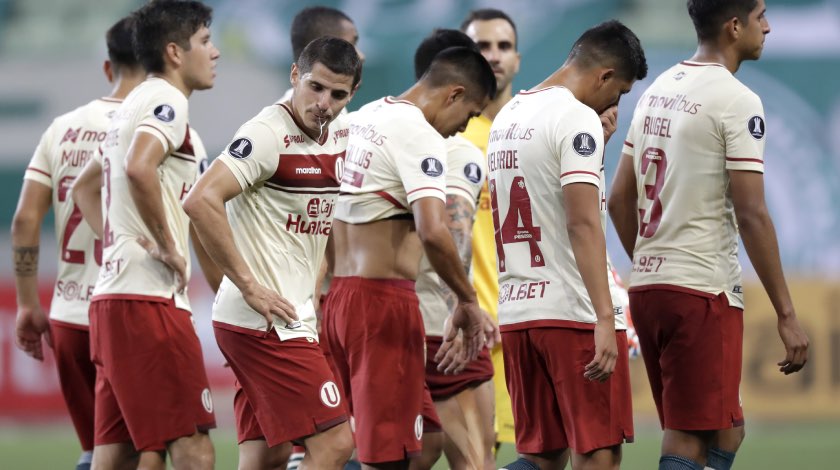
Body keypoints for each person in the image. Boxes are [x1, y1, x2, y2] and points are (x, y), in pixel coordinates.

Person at [607, 1, 809, 469]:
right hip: (700, 292)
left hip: (651, 286)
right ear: (734, 27)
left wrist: (652, 260)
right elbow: (752, 212)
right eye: (760, 15)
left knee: (727, 428)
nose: (768, 25)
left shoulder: (659, 89)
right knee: (687, 439)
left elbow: (619, 199)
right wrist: (786, 312)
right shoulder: (737, 100)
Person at [183, 36, 362, 470]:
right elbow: (199, 201)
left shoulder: (341, 129)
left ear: (351, 94)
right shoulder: (266, 134)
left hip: (286, 315)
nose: (324, 102)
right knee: (336, 443)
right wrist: (246, 285)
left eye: (338, 94)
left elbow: (312, 219)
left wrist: (320, 267)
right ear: (295, 75)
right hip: (266, 324)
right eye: (315, 87)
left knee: (267, 455)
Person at [321, 46, 498, 469]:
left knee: (423, 442)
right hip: (382, 304)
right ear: (454, 94)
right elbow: (435, 229)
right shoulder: (421, 135)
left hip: (340, 298)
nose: (462, 129)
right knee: (386, 460)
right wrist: (468, 301)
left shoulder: (360, 118)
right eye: (470, 114)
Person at [487, 20, 647, 470]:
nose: (615, 104)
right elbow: (581, 222)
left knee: (542, 459)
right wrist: (604, 316)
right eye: (619, 92)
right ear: (604, 76)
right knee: (598, 456)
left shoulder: (509, 115)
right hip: (573, 313)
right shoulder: (575, 117)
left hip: (520, 313)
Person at [72, 2, 220, 468]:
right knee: (194, 446)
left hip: (113, 300)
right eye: (205, 41)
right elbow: (139, 167)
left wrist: (119, 239)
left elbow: (84, 189)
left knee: (117, 455)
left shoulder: (129, 106)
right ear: (175, 52)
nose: (214, 53)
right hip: (147, 303)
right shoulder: (168, 101)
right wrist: (167, 247)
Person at [10, 16, 145, 470]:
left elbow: (26, 219)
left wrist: (29, 304)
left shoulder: (62, 128)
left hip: (70, 314)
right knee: (154, 449)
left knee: (96, 450)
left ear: (108, 68)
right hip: (131, 310)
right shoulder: (155, 128)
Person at [409, 29, 495, 470]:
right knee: (478, 458)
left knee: (414, 450)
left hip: (382, 312)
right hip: (440, 321)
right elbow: (452, 233)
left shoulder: (372, 127)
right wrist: (465, 307)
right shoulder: (457, 149)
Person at [458, 9, 521, 448]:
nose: (494, 56)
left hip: (525, 322)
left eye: (503, 46)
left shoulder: (533, 129)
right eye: (483, 46)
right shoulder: (453, 136)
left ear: (517, 58)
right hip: (469, 324)